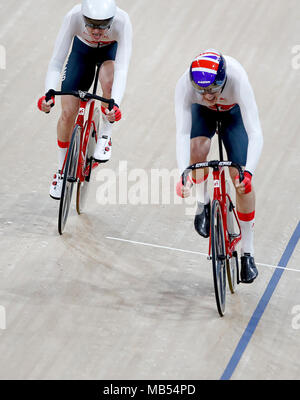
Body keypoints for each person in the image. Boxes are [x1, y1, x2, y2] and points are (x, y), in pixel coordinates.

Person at [175, 49, 263, 283]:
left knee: (240, 179)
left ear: (223, 81)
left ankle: (247, 253)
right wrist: (184, 172)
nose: (207, 96)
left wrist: (249, 173)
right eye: (201, 91)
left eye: (213, 90)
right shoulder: (185, 84)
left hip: (233, 115)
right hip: (204, 116)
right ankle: (203, 204)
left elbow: (255, 133)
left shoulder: (238, 79)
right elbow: (182, 133)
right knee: (198, 151)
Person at [37, 0, 132, 199]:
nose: (97, 31)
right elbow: (56, 62)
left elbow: (122, 69)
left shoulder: (123, 22)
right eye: (91, 23)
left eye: (103, 24)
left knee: (109, 81)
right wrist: (49, 93)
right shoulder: (73, 16)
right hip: (82, 53)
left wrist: (115, 104)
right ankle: (62, 170)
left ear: (112, 19)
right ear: (83, 17)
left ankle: (105, 135)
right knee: (67, 114)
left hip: (109, 53)